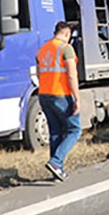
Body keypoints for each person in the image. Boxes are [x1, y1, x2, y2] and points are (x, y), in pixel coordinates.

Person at [36, 21, 81, 182]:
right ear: (67, 34)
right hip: (61, 94)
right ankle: (56, 162)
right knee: (74, 130)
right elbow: (71, 75)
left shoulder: (42, 50)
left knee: (55, 131)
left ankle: (57, 170)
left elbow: (40, 74)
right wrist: (77, 98)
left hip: (44, 95)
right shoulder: (65, 48)